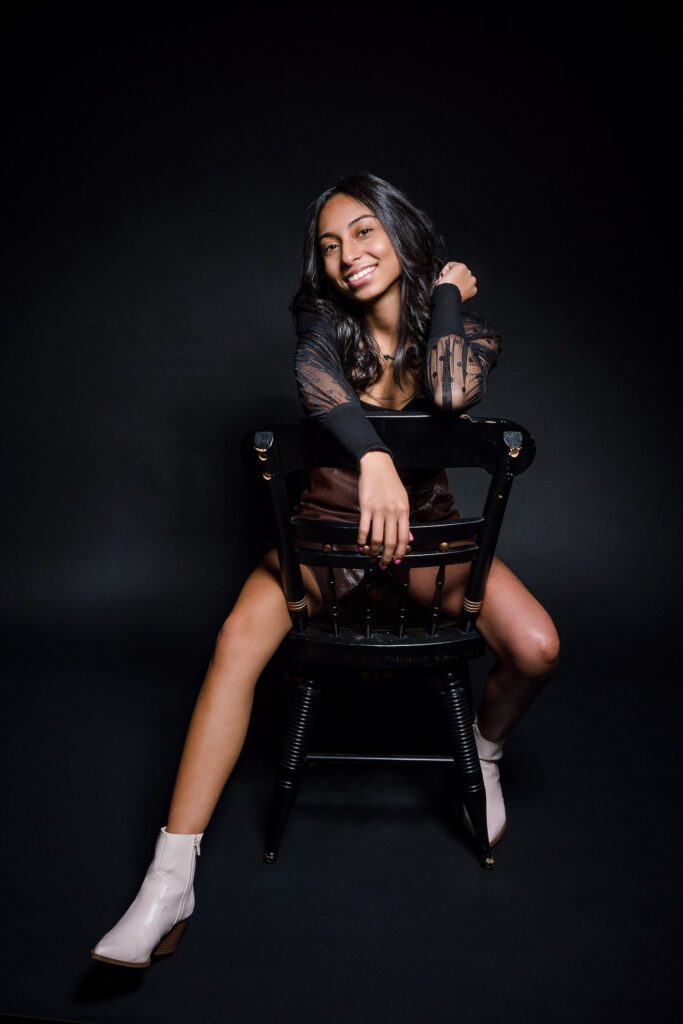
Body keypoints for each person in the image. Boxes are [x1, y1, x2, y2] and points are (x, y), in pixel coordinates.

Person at [90, 172, 560, 969]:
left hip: (424, 539)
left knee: (537, 645)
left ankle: (479, 754)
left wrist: (443, 292)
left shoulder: (465, 335)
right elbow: (316, 389)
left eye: (365, 233)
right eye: (330, 245)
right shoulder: (318, 319)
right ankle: (168, 881)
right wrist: (373, 455)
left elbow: (448, 391)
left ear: (402, 236)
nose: (347, 256)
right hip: (322, 539)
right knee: (237, 640)